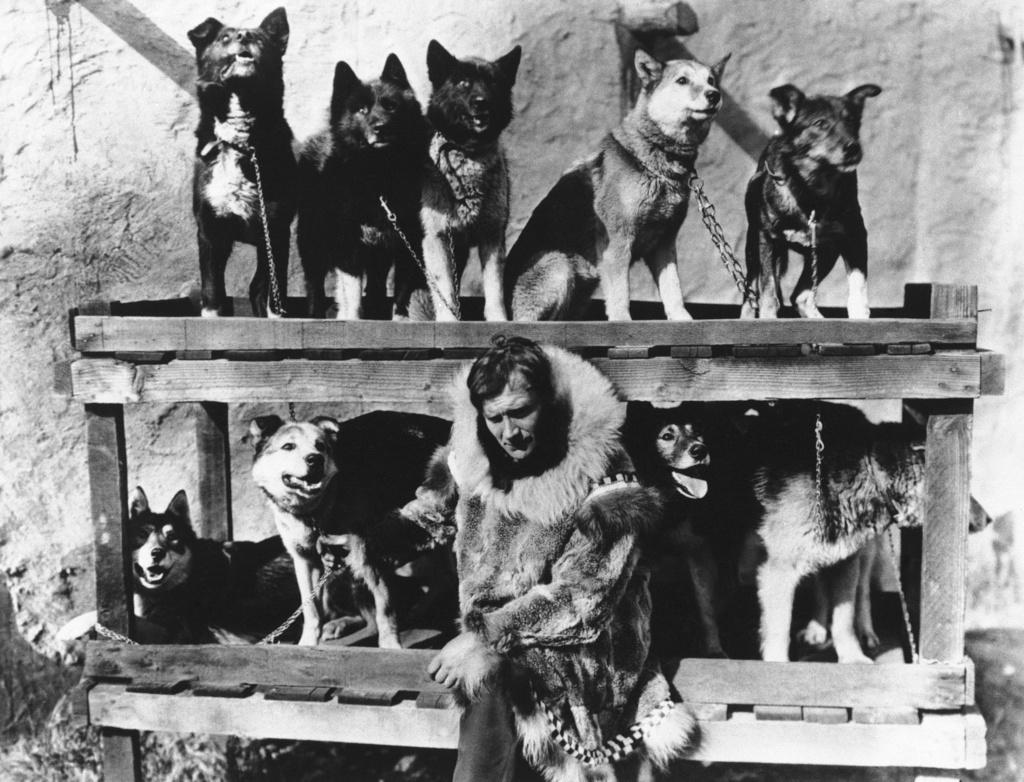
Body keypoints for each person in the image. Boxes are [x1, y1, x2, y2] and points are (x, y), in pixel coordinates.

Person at [398, 335, 696, 782]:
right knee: (491, 671)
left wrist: (486, 636)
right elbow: (433, 513)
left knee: (489, 672)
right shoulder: (476, 452)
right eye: (495, 417)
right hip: (507, 636)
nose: (509, 432)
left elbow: (584, 600)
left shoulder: (602, 468)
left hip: (588, 647)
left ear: (551, 400)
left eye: (521, 412)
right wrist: (363, 537)